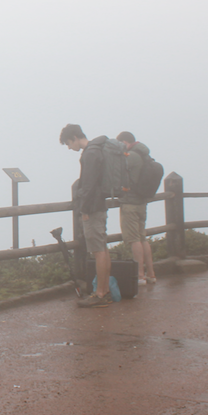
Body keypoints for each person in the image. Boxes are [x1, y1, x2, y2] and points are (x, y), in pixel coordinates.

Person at [59, 123, 113, 308]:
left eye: (68, 143)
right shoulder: (97, 150)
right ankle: (104, 291)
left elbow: (88, 186)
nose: (69, 147)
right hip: (100, 205)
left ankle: (100, 294)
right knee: (102, 249)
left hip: (93, 207)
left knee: (98, 251)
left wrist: (84, 210)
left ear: (74, 138)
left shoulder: (90, 154)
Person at [116, 131, 157, 284]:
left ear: (125, 142)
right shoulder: (144, 154)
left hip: (130, 203)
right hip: (141, 202)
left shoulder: (131, 156)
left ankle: (140, 276)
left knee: (134, 240)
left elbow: (118, 173)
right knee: (142, 238)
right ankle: (151, 274)